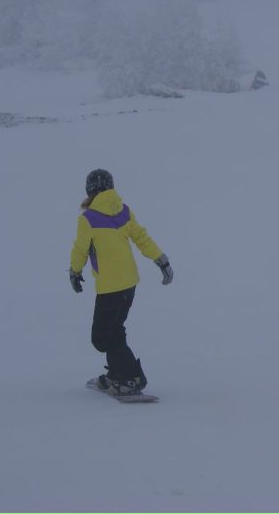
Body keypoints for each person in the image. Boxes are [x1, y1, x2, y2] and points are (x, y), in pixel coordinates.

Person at [69, 168, 173, 395]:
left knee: (101, 338)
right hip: (129, 283)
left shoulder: (87, 219)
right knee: (115, 330)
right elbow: (141, 238)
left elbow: (81, 249)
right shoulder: (123, 211)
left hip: (109, 287)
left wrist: (74, 272)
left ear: (90, 190)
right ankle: (117, 374)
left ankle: (132, 377)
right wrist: (161, 261)